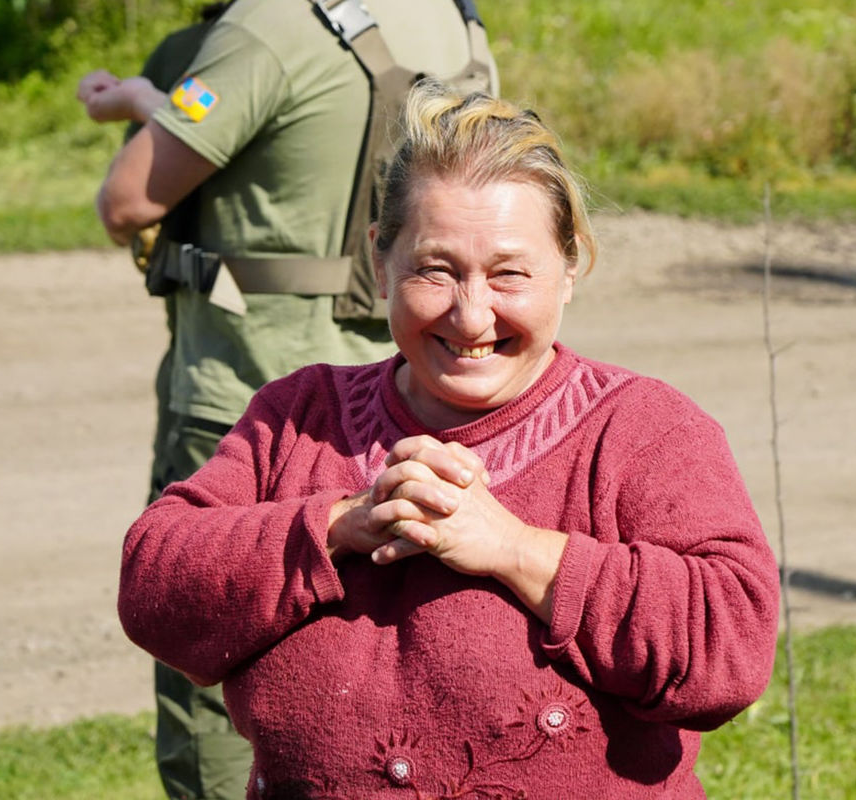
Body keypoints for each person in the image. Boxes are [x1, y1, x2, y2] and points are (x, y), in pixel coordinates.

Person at [118, 80, 781, 799]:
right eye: (435, 269)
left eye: (509, 275)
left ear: (570, 268)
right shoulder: (298, 414)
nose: (471, 316)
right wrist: (341, 523)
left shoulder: (646, 430)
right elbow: (154, 586)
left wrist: (510, 547)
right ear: (380, 262)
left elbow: (729, 648)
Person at [86, 3, 498, 798]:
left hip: (253, 403)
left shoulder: (262, 29)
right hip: (408, 396)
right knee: (380, 666)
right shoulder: (453, 20)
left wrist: (145, 106)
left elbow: (128, 201)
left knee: (212, 671)